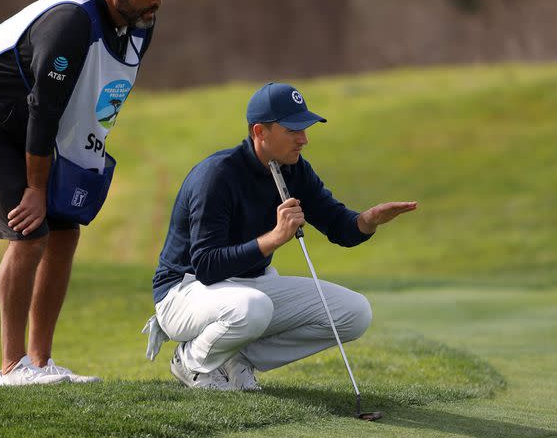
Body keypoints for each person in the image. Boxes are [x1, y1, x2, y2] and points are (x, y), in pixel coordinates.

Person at [0, 0, 182, 386]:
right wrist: (37, 189)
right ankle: (12, 369)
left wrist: (83, 165)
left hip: (23, 121)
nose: (156, 0)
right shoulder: (68, 23)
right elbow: (45, 109)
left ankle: (41, 364)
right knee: (31, 231)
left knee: (66, 230)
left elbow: (97, 96)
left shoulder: (139, 20)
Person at [143, 82, 417, 390]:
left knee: (355, 313)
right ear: (260, 132)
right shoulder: (217, 176)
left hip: (250, 287)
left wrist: (367, 221)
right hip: (184, 290)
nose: (304, 139)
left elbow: (338, 225)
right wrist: (274, 238)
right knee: (253, 307)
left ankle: (237, 359)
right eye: (293, 130)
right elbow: (207, 266)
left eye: (305, 129)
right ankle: (192, 361)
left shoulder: (293, 169)